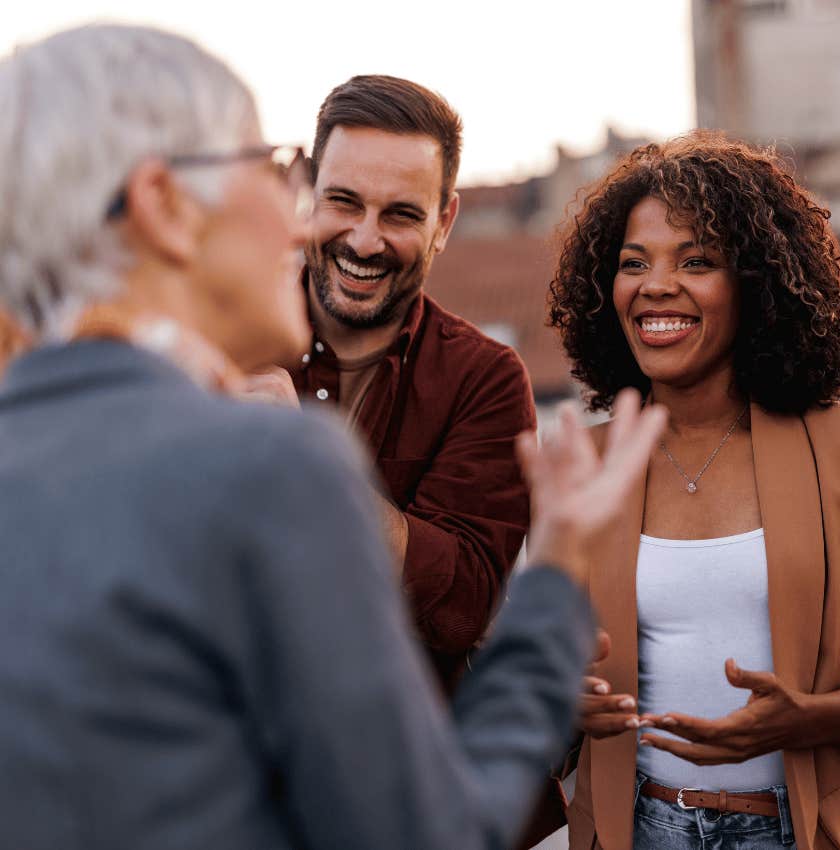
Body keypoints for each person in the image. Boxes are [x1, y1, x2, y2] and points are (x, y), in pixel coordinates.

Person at [0, 24, 669, 850]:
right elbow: (430, 826)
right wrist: (560, 568)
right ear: (164, 207)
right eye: (269, 172)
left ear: (444, 219)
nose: (303, 227)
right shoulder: (268, 462)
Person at [546, 132, 840, 850]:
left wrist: (810, 716)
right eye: (633, 263)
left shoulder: (839, 450)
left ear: (755, 285)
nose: (656, 285)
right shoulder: (582, 470)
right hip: (637, 826)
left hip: (803, 827)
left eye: (697, 261)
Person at [292, 75, 536, 692]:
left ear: (444, 221)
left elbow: (463, 605)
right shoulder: (220, 344)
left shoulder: (485, 380)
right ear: (306, 192)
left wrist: (303, 463)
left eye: (400, 214)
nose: (365, 240)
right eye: (344, 202)